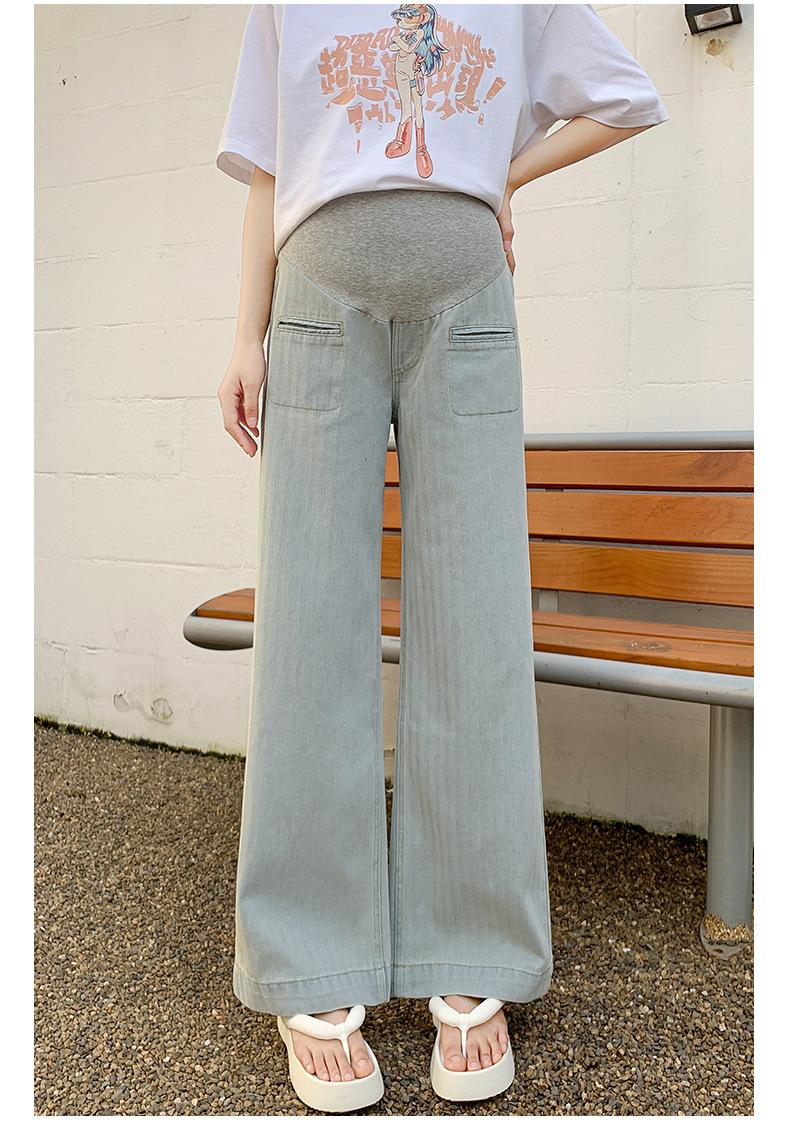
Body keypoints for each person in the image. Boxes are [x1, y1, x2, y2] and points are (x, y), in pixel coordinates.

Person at [215, 2, 668, 1113]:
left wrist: (502, 175)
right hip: (315, 301)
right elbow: (268, 164)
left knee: (475, 624)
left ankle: (473, 949)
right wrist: (242, 335)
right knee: (309, 628)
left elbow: (626, 98)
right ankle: (309, 957)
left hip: (467, 303)